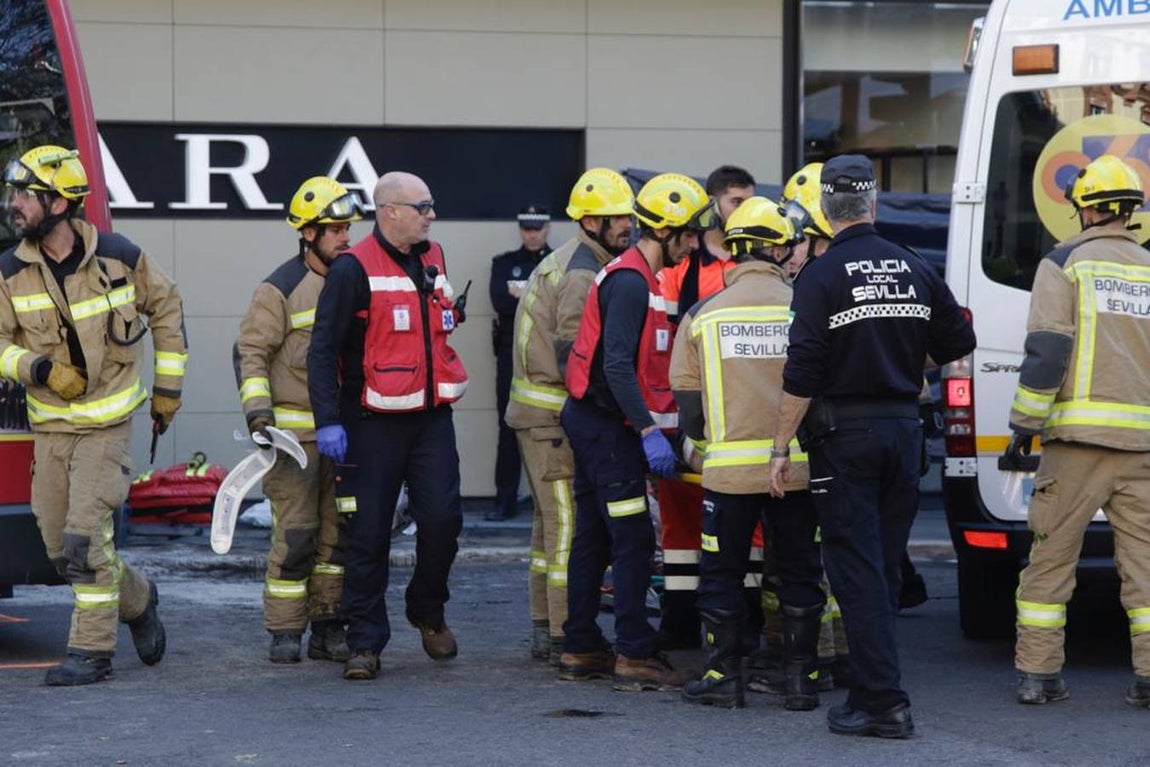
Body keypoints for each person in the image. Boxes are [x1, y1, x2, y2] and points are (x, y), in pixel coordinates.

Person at [767, 154, 975, 738]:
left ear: (828, 211)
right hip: (904, 434)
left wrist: (781, 448)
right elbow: (962, 338)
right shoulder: (913, 265)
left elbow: (802, 369)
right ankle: (876, 691)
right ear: (874, 204)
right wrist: (907, 358)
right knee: (879, 568)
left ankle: (881, 703)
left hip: (845, 439)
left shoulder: (822, 275)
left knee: (855, 571)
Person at [0, 145, 185, 685]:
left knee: (85, 539)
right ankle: (138, 598)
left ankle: (92, 651)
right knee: (60, 549)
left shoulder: (121, 257)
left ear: (59, 202)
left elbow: (167, 309)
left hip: (106, 428)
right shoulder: (9, 272)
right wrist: (37, 368)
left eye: (24, 195)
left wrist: (167, 391)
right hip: (51, 429)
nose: (14, 204)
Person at [308, 171, 467, 682]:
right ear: (390, 211)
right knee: (368, 536)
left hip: (430, 419)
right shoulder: (353, 269)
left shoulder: (434, 255)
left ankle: (426, 608)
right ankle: (365, 643)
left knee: (443, 522)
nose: (432, 214)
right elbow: (322, 351)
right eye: (424, 206)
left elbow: (434, 319)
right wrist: (329, 421)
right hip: (370, 423)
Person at [1003, 154, 1150, 709]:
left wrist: (1023, 425)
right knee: (1146, 567)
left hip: (1076, 447)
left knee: (1051, 560)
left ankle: (1040, 676)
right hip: (1142, 448)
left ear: (1084, 210)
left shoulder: (1063, 263)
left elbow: (1048, 352)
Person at [559, 172, 714, 691]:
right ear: (665, 232)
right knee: (630, 537)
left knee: (594, 537)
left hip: (600, 421)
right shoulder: (630, 282)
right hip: (608, 427)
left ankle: (581, 644)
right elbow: (620, 367)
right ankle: (634, 653)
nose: (692, 244)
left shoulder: (636, 278)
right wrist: (649, 430)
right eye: (688, 235)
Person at [672, 197, 826, 710]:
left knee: (722, 574)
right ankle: (802, 679)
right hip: (798, 469)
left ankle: (724, 676)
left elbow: (691, 416)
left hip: (728, 476)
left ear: (732, 250)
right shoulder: (807, 309)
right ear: (782, 249)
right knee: (800, 572)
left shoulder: (701, 316)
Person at [505, 169, 634, 664]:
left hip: (538, 416)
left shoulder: (574, 260)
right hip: (553, 418)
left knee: (547, 527)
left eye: (627, 215)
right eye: (615, 218)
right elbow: (578, 358)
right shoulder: (583, 272)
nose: (626, 225)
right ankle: (565, 635)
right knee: (568, 526)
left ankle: (545, 626)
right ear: (590, 221)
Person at [234, 176, 361, 664]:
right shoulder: (280, 289)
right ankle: (285, 630)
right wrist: (260, 417)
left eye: (347, 227)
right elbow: (251, 355)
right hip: (293, 440)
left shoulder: (354, 280)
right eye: (333, 229)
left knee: (340, 535)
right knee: (297, 533)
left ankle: (329, 627)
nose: (345, 237)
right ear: (307, 233)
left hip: (346, 437)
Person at [653, 165, 758, 651]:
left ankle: (748, 630)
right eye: (736, 201)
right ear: (714, 204)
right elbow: (659, 349)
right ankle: (677, 625)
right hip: (688, 413)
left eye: (749, 200)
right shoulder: (679, 272)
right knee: (679, 523)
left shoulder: (750, 267)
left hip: (740, 417)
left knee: (749, 525)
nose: (744, 209)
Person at [486, 204, 552, 522]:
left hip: (549, 359)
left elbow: (555, 308)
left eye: (537, 228)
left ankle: (548, 499)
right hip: (511, 359)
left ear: (547, 229)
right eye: (527, 228)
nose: (532, 234)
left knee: (553, 429)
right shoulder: (505, 264)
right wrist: (535, 295)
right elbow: (500, 302)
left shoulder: (558, 263)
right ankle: (505, 500)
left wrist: (521, 293)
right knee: (508, 426)